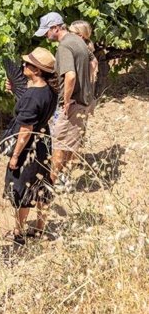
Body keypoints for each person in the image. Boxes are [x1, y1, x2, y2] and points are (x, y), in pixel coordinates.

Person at [3, 48, 58, 246]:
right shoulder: (49, 89)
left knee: (23, 189)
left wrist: (16, 155)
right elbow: (31, 109)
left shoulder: (33, 96)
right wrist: (17, 94)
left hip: (30, 147)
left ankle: (18, 233)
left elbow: (25, 130)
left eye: (27, 64)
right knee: (42, 185)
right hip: (43, 142)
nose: (23, 66)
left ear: (37, 71)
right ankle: (40, 228)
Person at [34, 12, 94, 186]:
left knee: (59, 144)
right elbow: (93, 63)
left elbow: (70, 76)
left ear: (56, 27)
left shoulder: (65, 46)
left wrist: (66, 100)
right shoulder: (79, 41)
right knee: (70, 143)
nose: (46, 36)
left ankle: (50, 184)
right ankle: (63, 177)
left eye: (47, 32)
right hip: (83, 102)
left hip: (73, 104)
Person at [69, 20, 99, 87]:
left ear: (80, 36)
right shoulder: (87, 49)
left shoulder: (80, 52)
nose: (68, 34)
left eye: (71, 32)